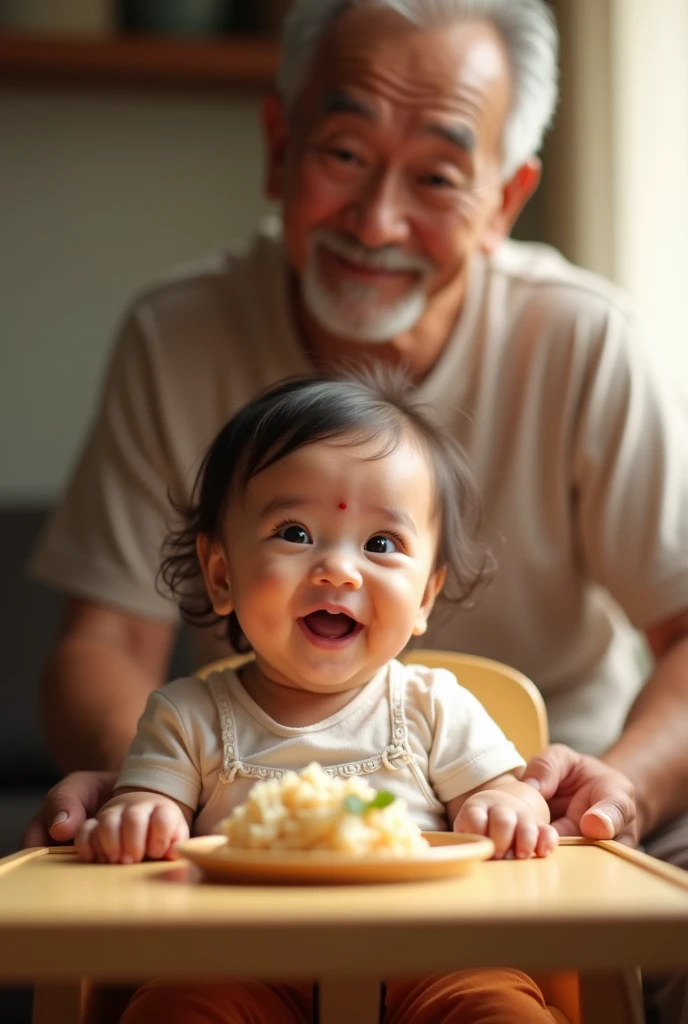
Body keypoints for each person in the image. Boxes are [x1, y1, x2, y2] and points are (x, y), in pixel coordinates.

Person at [23, 1, 688, 1018]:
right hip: (242, 837)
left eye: (434, 174)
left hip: (538, 812)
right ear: (279, 149)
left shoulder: (587, 336)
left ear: (504, 198)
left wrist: (607, 791)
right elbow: (101, 639)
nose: (376, 221)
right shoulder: (178, 331)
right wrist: (148, 791)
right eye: (342, 151)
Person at [77, 370, 558, 1024]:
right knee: (175, 1008)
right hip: (236, 961)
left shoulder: (433, 706)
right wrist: (141, 815)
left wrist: (508, 802)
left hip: (434, 954)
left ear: (423, 597)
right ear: (222, 574)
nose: (339, 568)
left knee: (497, 1008)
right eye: (295, 533)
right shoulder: (186, 717)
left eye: (381, 544)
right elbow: (144, 803)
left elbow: (503, 794)